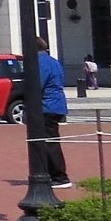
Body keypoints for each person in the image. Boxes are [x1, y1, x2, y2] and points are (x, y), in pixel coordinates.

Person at [37, 33, 70, 188]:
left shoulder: (40, 63)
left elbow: (37, 84)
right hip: (56, 104)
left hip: (47, 106)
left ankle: (60, 176)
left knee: (50, 142)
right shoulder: (53, 61)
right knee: (50, 140)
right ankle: (52, 174)